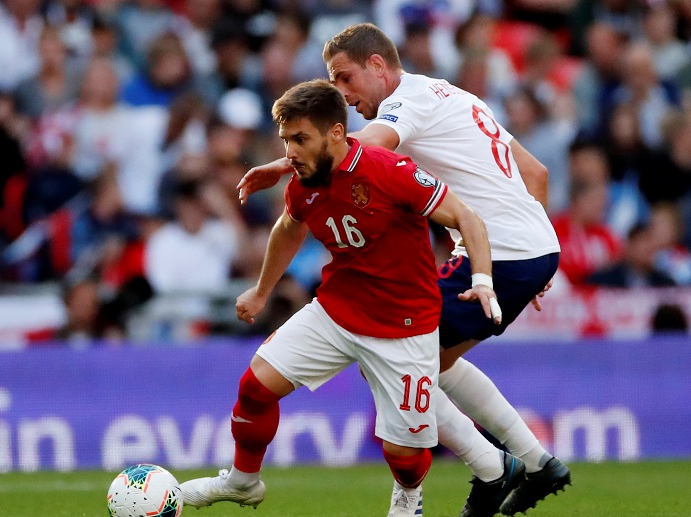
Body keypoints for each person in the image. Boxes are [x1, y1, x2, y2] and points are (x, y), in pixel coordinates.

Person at [237, 23, 569, 517]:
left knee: (401, 359)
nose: (344, 96)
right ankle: (529, 463)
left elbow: (355, 149)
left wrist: (284, 165)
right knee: (425, 362)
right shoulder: (455, 95)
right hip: (527, 247)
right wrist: (538, 256)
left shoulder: (404, 104)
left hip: (498, 250)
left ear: (378, 66)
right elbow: (536, 174)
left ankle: (505, 467)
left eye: (345, 79)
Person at [179, 79, 518, 517]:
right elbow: (288, 227)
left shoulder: (390, 171)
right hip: (337, 311)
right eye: (286, 140)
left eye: (300, 139)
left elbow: (466, 217)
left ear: (336, 134)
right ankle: (243, 483)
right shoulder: (303, 181)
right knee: (255, 387)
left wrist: (484, 279)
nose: (291, 152)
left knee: (404, 456)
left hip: (404, 327)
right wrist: (261, 291)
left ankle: (410, 495)